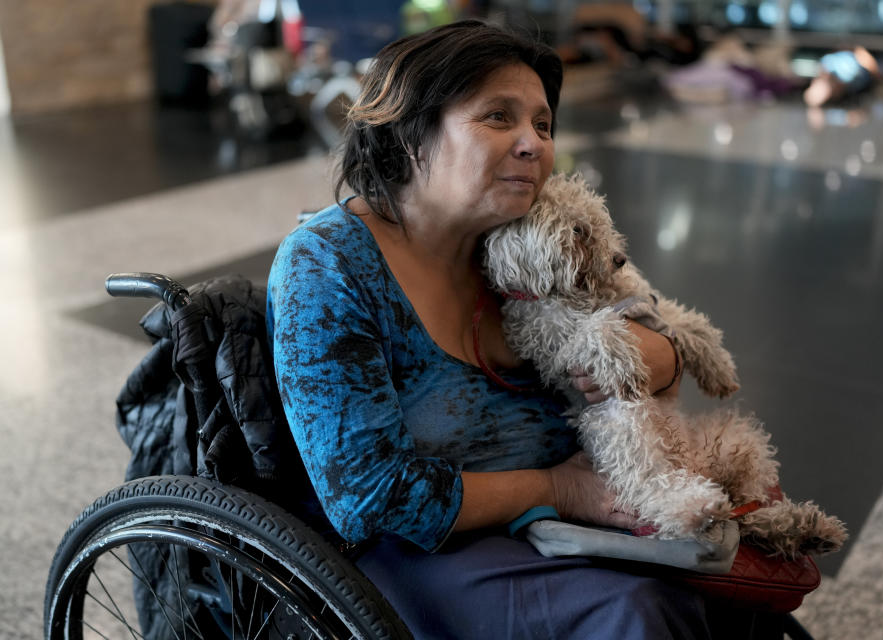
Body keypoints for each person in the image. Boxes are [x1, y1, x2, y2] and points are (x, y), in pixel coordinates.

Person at [267, 19, 774, 639]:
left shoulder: (520, 237)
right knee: (634, 610)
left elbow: (652, 317)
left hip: (569, 522)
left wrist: (658, 355)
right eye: (498, 117)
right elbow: (370, 497)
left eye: (542, 124)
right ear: (408, 131)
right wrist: (561, 489)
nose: (533, 143)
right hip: (417, 550)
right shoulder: (327, 264)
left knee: (734, 567)